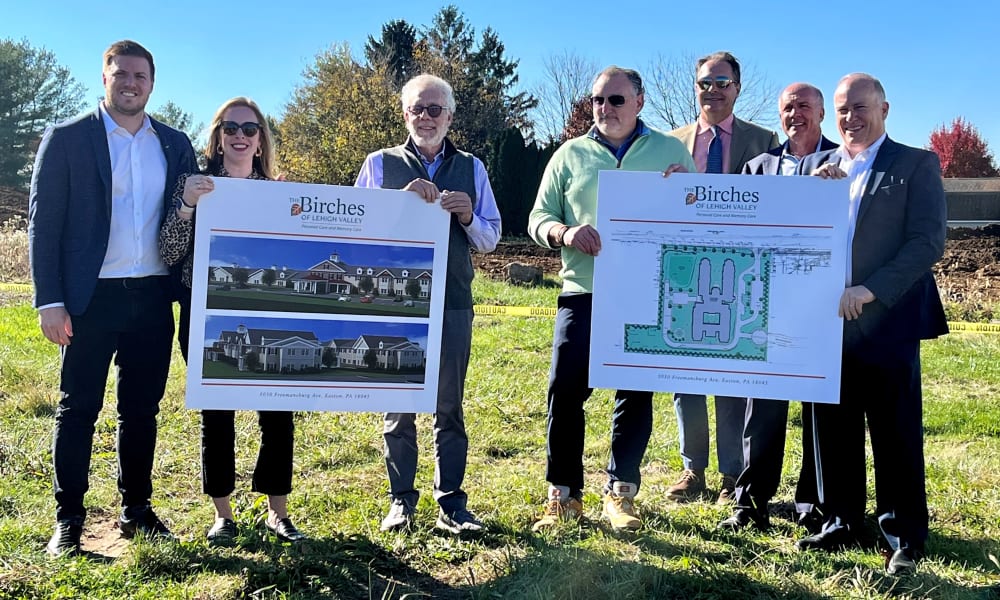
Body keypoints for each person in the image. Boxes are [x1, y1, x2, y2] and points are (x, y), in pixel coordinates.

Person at [28, 40, 197, 556]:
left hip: (151, 297)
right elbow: (43, 225)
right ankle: (69, 519)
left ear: (152, 82)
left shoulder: (172, 143)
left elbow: (195, 214)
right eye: (121, 74)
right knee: (77, 409)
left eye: (140, 76)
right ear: (104, 77)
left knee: (141, 411)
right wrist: (48, 300)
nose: (130, 83)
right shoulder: (67, 139)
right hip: (87, 299)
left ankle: (136, 509)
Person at [528, 66, 695, 532]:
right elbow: (538, 218)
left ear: (639, 102)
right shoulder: (569, 155)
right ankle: (562, 495)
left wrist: (689, 194)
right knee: (565, 392)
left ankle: (621, 494)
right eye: (599, 99)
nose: (606, 109)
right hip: (582, 292)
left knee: (635, 393)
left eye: (616, 100)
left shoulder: (670, 151)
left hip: (647, 293)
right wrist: (565, 231)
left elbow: (700, 219)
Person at [795, 73, 948, 577]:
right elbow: (788, 233)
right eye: (841, 110)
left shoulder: (915, 163)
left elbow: (926, 243)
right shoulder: (817, 166)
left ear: (885, 109)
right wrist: (806, 196)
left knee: (894, 430)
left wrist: (871, 289)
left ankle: (902, 532)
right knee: (830, 428)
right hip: (826, 323)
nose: (850, 119)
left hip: (888, 320)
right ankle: (840, 520)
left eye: (860, 108)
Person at [355, 73, 501, 535]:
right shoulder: (377, 166)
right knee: (398, 406)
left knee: (448, 407)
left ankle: (452, 503)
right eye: (417, 108)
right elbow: (355, 233)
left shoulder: (473, 167)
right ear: (404, 114)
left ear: (450, 116)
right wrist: (397, 204)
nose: (425, 117)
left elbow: (492, 239)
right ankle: (401, 501)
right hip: (395, 305)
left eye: (434, 109)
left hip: (453, 302)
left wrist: (467, 215)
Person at [159, 97, 305, 545]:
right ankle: (222, 513)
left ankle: (277, 513)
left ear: (261, 140)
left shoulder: (282, 194)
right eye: (230, 128)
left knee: (278, 411)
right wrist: (186, 206)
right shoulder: (195, 184)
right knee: (216, 412)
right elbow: (167, 253)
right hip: (205, 315)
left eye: (249, 128)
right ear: (217, 137)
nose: (239, 136)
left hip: (267, 314)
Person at [718, 83, 838, 532]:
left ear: (822, 112)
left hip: (819, 307)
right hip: (763, 306)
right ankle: (749, 504)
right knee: (761, 409)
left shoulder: (843, 161)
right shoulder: (757, 167)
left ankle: (812, 507)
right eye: (788, 107)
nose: (795, 114)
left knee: (816, 412)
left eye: (804, 106)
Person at [667, 51, 780, 504]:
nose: (712, 90)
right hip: (684, 270)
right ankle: (693, 470)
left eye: (722, 82)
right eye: (704, 82)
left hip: (741, 272)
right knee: (685, 373)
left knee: (734, 373)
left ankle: (734, 474)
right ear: (695, 88)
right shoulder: (669, 142)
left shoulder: (764, 139)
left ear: (737, 87)